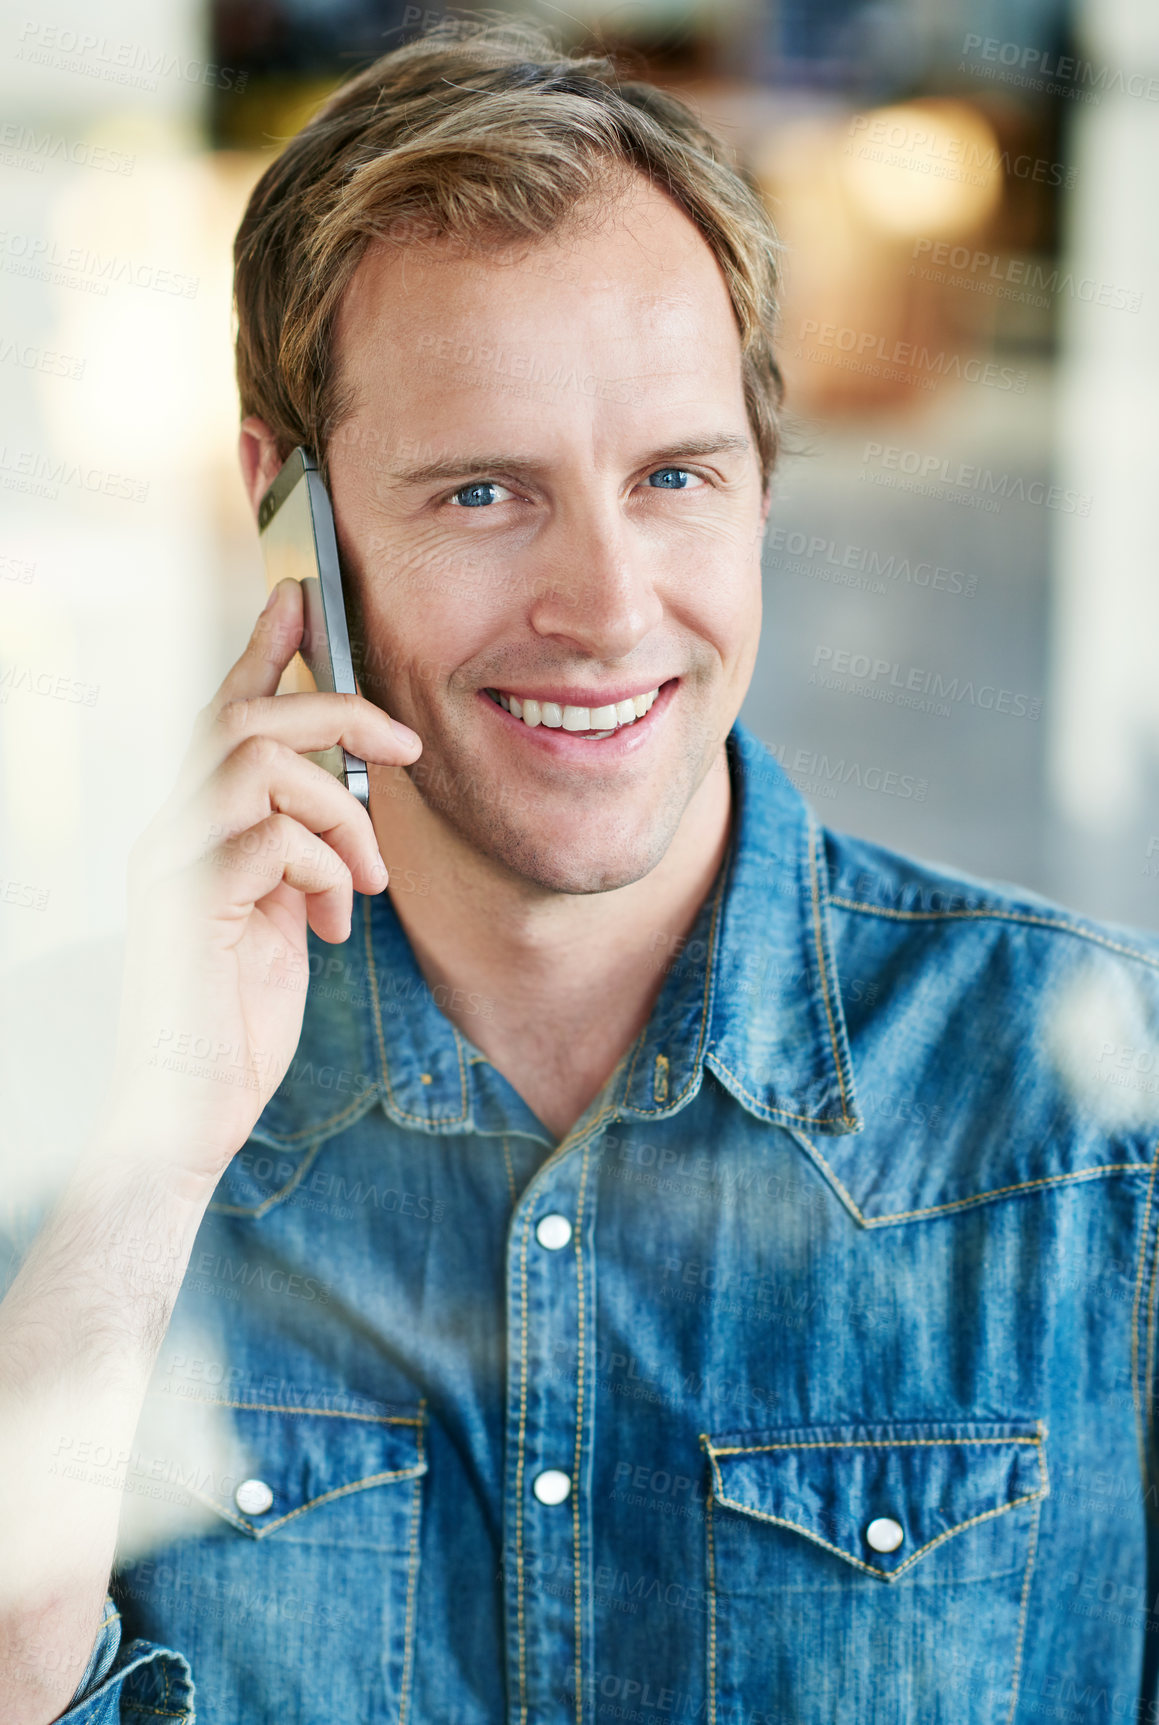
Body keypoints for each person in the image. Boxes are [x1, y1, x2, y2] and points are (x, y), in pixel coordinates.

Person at [3, 18, 1158, 1725]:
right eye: (484, 493)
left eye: (674, 476)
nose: (610, 608)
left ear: (761, 488)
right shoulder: (61, 1099)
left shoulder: (1101, 1112)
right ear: (290, 518)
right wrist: (152, 1156)